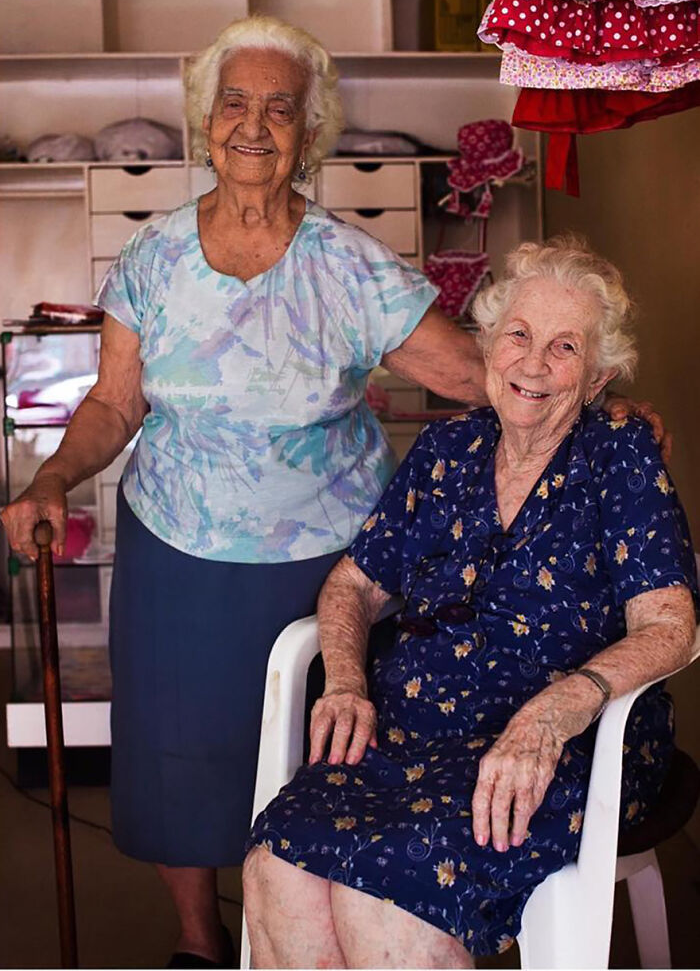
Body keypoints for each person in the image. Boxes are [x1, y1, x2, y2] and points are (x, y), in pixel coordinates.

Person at [0, 16, 665, 966]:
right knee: (180, 757)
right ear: (206, 120)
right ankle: (200, 940)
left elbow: (477, 371)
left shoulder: (346, 262)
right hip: (176, 544)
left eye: (281, 108)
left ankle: (328, 916)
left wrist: (605, 401)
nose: (255, 125)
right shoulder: (151, 258)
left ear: (309, 133)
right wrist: (55, 476)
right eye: (235, 103)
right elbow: (113, 402)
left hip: (327, 557)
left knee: (333, 751)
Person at [243, 236, 697, 970]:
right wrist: (349, 681)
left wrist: (550, 716)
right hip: (408, 734)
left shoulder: (621, 457)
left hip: (558, 744)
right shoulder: (446, 450)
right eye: (518, 335)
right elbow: (353, 584)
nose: (534, 363)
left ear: (597, 378)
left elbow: (671, 627)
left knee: (381, 894)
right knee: (278, 864)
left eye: (565, 347)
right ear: (487, 346)